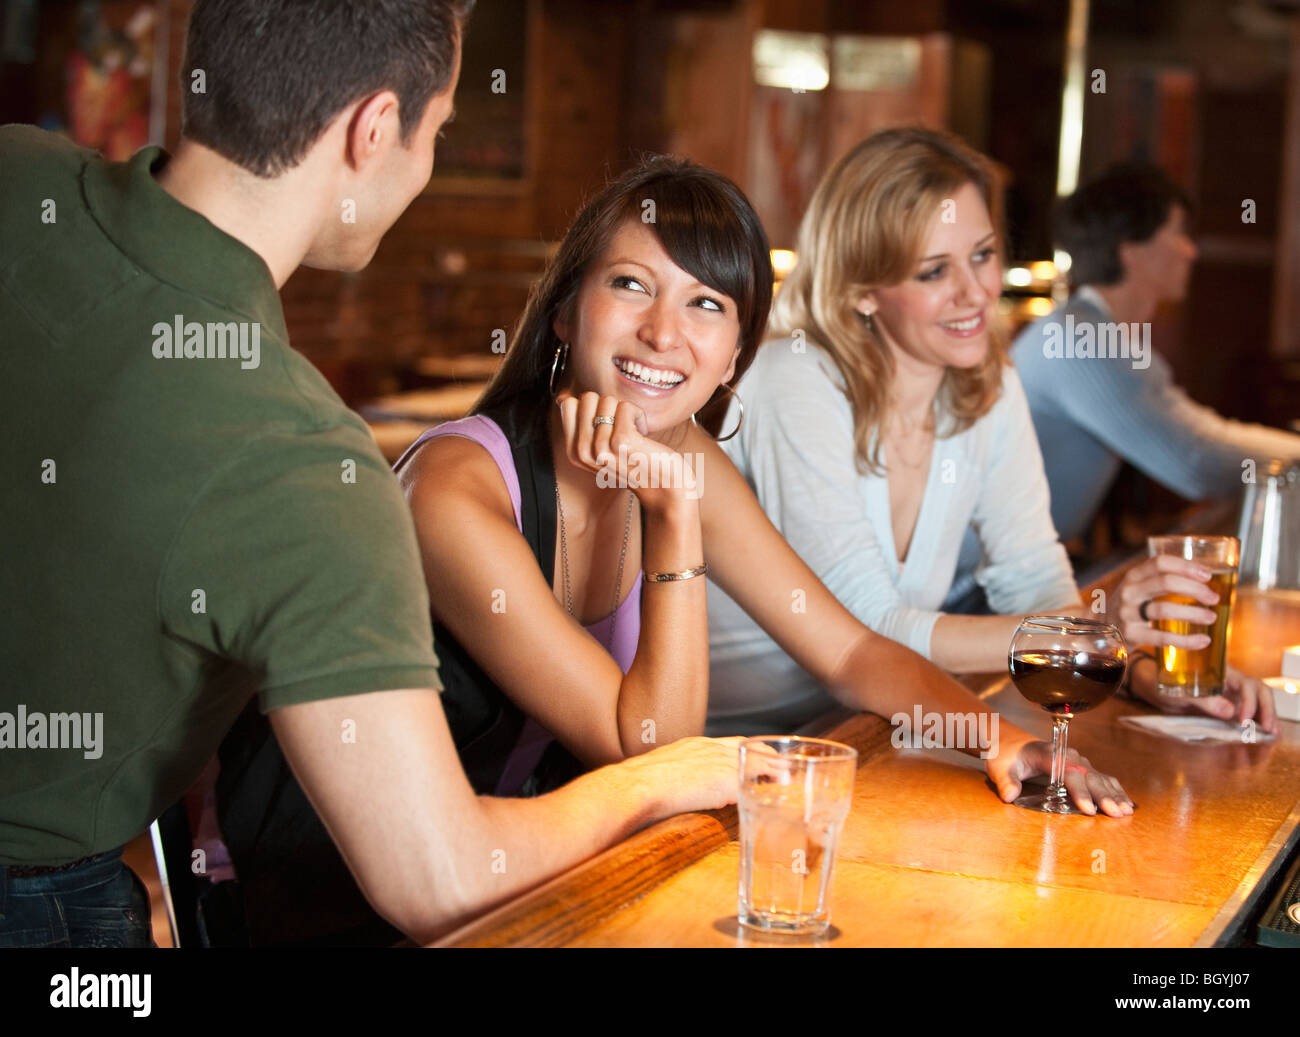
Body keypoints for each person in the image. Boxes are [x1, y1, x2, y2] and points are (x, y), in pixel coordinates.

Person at [0, 0, 742, 950]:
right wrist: (660, 778)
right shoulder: (304, 466)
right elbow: (442, 878)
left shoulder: (20, 171)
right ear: (374, 130)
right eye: (437, 133)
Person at [704, 128, 1276, 735]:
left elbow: (1032, 579)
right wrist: (1093, 629)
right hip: (732, 745)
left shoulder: (984, 382)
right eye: (932, 272)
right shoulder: (796, 378)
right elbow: (868, 629)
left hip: (874, 725)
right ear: (863, 291)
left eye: (982, 254)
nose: (975, 292)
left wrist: (1136, 669)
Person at [948, 160, 1295, 722]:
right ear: (1133, 250)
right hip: (971, 603)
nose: (1192, 251)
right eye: (1178, 234)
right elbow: (1195, 459)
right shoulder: (1079, 337)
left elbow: (1195, 430)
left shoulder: (1095, 331)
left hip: (1017, 593)